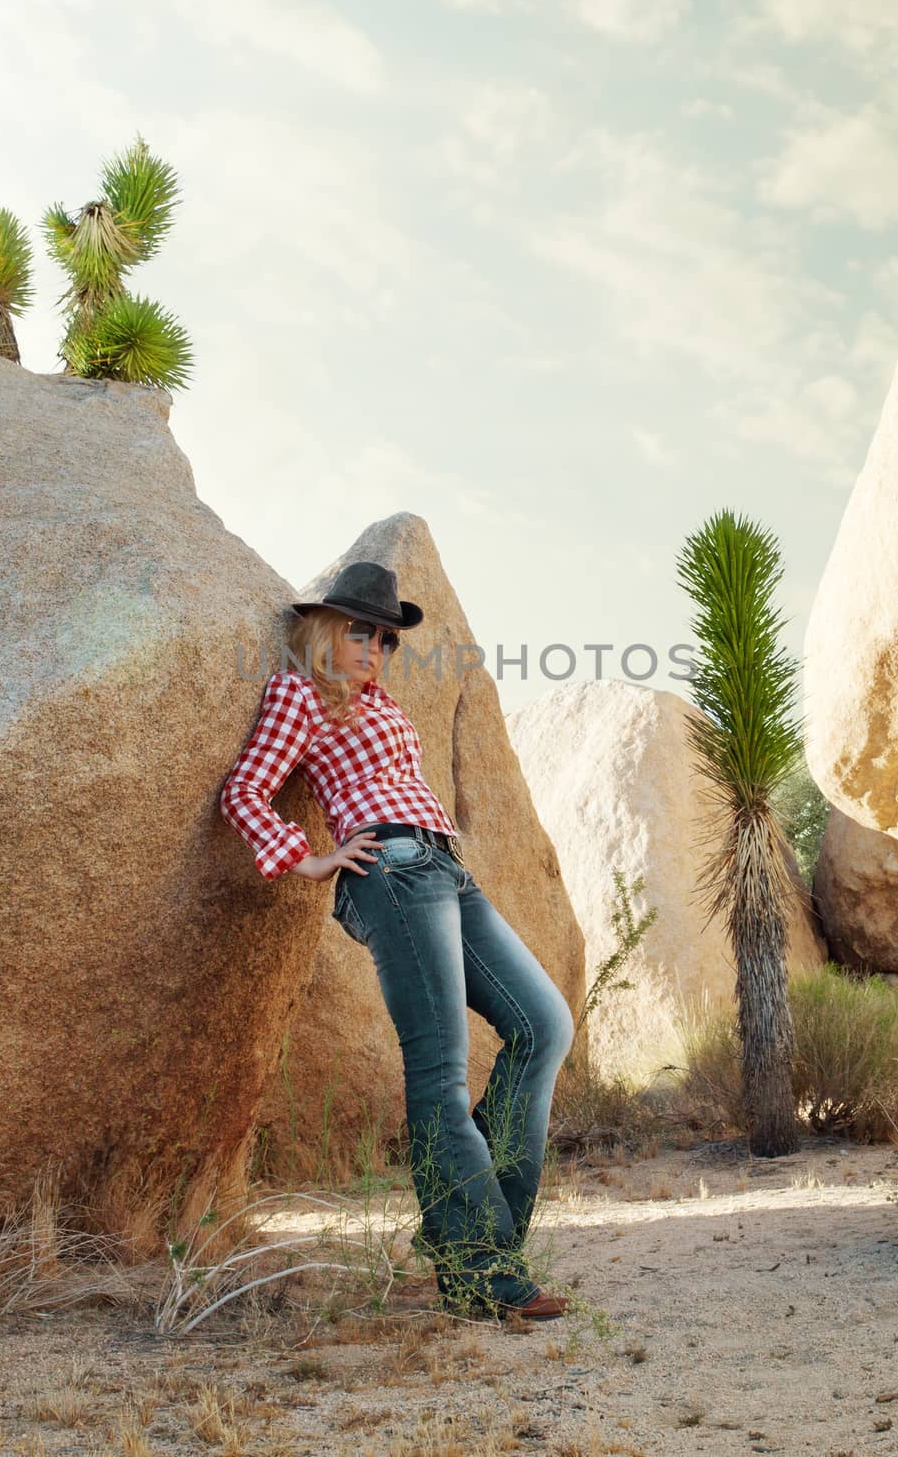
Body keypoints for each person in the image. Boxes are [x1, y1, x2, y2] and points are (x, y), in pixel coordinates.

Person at [219, 560, 575, 1319]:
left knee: (543, 1024)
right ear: (322, 631)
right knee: (440, 1070)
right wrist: (310, 859)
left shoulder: (377, 701)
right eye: (359, 631)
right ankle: (479, 1268)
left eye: (384, 637)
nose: (374, 647)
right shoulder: (298, 693)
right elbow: (244, 789)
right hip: (391, 871)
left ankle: (473, 1235)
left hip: (445, 867)